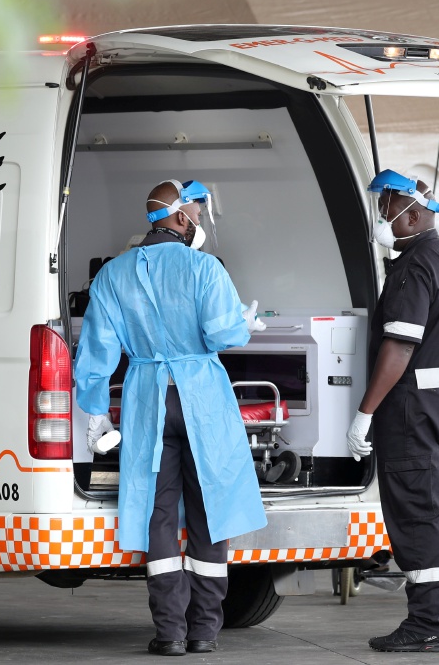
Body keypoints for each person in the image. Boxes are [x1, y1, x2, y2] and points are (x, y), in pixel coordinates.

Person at [74, 179, 267, 657]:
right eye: (196, 215)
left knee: (159, 515)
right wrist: (245, 322)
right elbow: (224, 335)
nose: (199, 222)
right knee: (209, 512)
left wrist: (96, 415)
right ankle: (204, 631)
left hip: (147, 400)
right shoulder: (205, 269)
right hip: (201, 398)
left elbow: (97, 350)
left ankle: (169, 634)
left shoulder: (113, 275)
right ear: (179, 218)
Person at [347, 170, 439, 653]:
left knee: (418, 514)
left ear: (413, 212)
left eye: (387, 208)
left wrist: (365, 411)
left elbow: (400, 345)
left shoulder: (414, 266)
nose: (382, 217)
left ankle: (428, 622)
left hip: (416, 409)